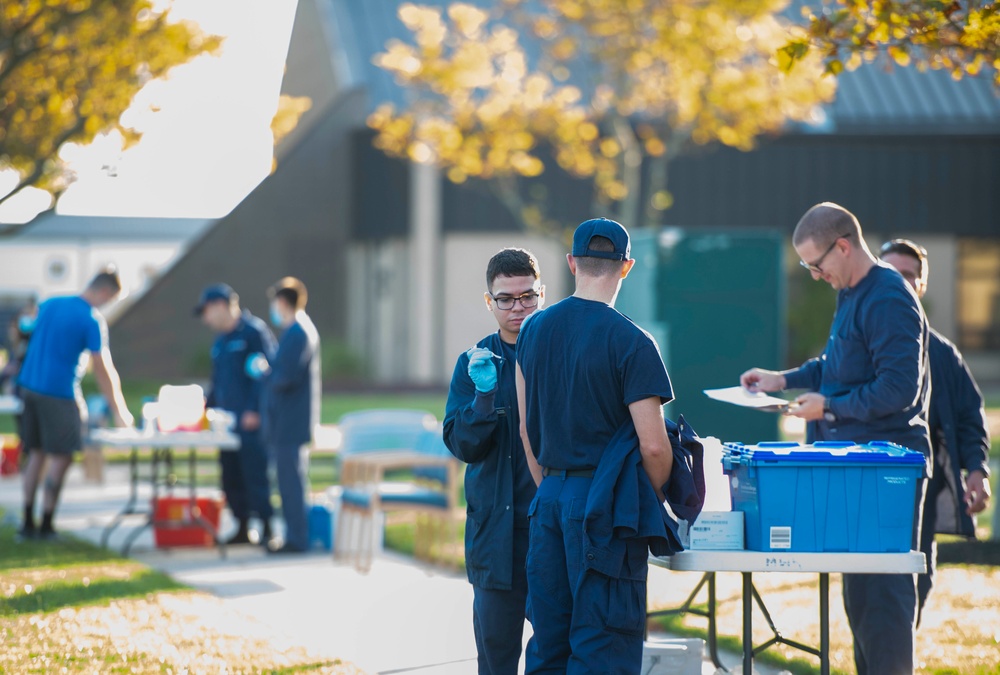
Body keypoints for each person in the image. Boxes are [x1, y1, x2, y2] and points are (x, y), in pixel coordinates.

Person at [740, 203, 931, 675]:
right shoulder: (851, 291)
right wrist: (782, 380)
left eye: (817, 265)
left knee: (882, 603)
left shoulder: (888, 296)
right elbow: (838, 366)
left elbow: (898, 389)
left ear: (843, 246)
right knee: (860, 602)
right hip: (854, 466)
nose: (815, 276)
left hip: (885, 471)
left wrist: (830, 406)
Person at [515, 217, 675, 674]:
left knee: (549, 646)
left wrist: (552, 487)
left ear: (571, 263)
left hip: (548, 499)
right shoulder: (632, 341)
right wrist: (647, 496)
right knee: (601, 649)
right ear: (626, 267)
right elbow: (656, 449)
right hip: (606, 506)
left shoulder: (532, 330)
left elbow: (527, 429)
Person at [879, 238, 992, 625]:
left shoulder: (943, 354)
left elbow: (969, 416)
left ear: (921, 286)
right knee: (866, 593)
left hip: (922, 490)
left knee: (916, 583)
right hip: (866, 490)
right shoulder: (862, 344)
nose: (900, 282)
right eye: (890, 273)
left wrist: (977, 471)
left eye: (908, 276)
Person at [444, 247, 545, 674]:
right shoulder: (473, 363)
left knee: (556, 656)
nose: (518, 307)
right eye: (506, 298)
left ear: (543, 293)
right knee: (496, 662)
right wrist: (483, 398)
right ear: (490, 301)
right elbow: (461, 445)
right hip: (495, 537)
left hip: (550, 533)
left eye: (527, 296)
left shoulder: (561, 354)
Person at [17, 268, 134, 539]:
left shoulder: (50, 303)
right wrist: (119, 411)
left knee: (35, 453)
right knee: (62, 456)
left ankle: (26, 523)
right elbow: (103, 369)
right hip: (59, 392)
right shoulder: (91, 319)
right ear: (104, 292)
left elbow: (27, 332)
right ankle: (46, 523)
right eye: (111, 299)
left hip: (29, 387)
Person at [196, 283, 276, 547]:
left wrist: (255, 409)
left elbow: (265, 375)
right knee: (230, 476)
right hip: (225, 423)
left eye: (207, 311)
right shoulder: (220, 341)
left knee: (255, 475)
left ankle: (266, 527)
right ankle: (242, 527)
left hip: (249, 422)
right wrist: (205, 410)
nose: (206, 319)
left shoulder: (253, 333)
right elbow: (216, 381)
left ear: (221, 306)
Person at [255, 277, 321, 554]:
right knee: (288, 480)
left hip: (290, 422)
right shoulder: (299, 331)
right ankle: (295, 535)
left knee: (290, 483)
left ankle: (296, 539)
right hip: (288, 421)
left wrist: (264, 370)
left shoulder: (298, 332)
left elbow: (285, 376)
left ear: (283, 302)